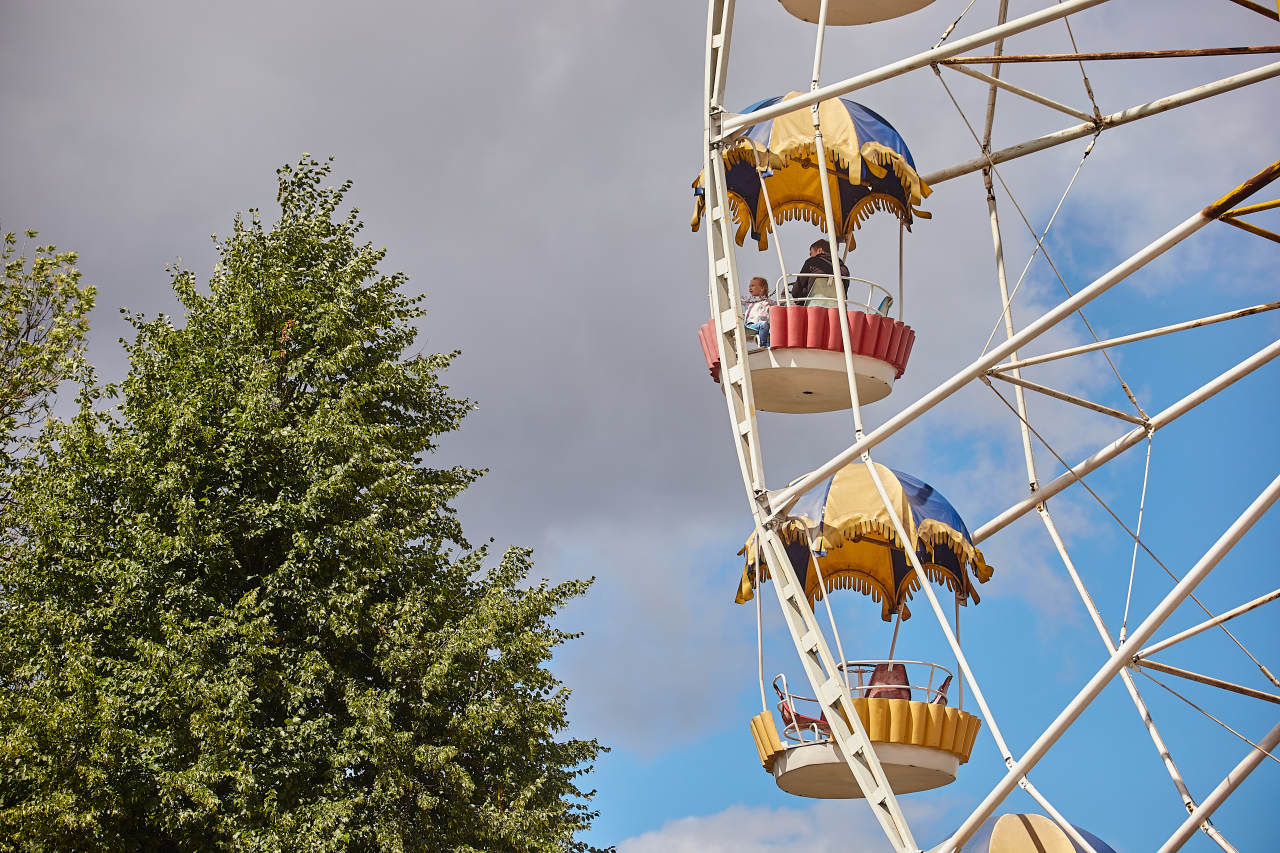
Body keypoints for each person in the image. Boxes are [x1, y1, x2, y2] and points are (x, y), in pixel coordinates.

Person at [791, 238, 850, 305]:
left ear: (819, 250)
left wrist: (800, 300)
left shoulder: (812, 262)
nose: (810, 256)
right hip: (838, 309)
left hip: (814, 307)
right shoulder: (844, 269)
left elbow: (796, 291)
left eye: (811, 253)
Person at [743, 276, 773, 347]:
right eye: (749, 286)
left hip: (764, 328)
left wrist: (783, 296)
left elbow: (779, 306)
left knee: (769, 332)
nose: (750, 288)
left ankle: (768, 346)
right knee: (764, 324)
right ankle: (762, 346)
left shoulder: (768, 302)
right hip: (751, 325)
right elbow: (737, 298)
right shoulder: (749, 301)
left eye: (753, 286)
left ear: (762, 289)